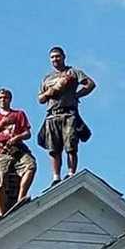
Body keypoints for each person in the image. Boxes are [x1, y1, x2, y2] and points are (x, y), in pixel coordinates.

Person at [37, 46, 96, 186]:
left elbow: (90, 84)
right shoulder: (47, 78)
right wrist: (51, 91)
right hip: (52, 115)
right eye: (52, 57)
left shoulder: (73, 72)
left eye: (57, 56)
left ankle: (71, 173)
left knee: (71, 146)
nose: (55, 59)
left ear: (63, 57)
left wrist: (77, 95)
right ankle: (56, 177)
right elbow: (40, 99)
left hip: (69, 113)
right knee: (54, 149)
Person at [0, 88, 36, 220]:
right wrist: (2, 124)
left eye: (5, 97)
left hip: (17, 148)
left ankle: (21, 198)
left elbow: (27, 133)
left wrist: (17, 137)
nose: (3, 100)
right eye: (0, 98)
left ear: (10, 99)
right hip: (0, 150)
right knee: (0, 180)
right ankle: (1, 214)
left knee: (30, 165)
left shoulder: (18, 114)